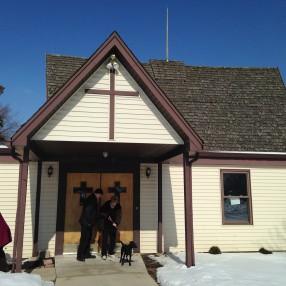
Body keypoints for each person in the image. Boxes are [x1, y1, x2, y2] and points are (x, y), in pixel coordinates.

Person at [76, 188, 103, 262]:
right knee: (84, 239)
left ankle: (86, 253)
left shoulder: (93, 199)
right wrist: (89, 222)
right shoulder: (91, 200)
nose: (100, 197)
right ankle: (80, 255)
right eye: (100, 195)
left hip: (89, 223)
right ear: (96, 193)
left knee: (88, 239)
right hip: (86, 223)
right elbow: (87, 211)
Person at [99, 194, 122, 260]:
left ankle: (111, 252)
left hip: (113, 225)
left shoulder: (118, 206)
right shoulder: (106, 205)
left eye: (115, 203)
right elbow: (101, 212)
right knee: (104, 239)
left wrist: (116, 223)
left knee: (112, 240)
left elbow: (119, 216)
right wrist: (106, 215)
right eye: (112, 203)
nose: (113, 204)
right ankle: (104, 254)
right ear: (111, 201)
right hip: (105, 224)